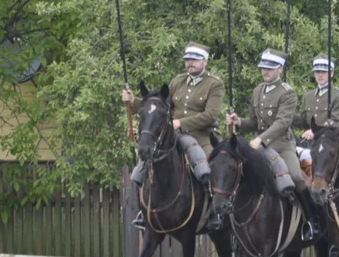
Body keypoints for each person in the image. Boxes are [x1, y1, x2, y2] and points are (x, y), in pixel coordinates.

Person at [122, 42, 224, 230]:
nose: (190, 63)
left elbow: (210, 115)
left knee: (210, 167)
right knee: (140, 170)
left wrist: (181, 123)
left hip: (202, 137)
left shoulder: (214, 84)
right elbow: (160, 106)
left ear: (205, 61)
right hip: (174, 136)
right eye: (187, 60)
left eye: (194, 59)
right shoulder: (177, 81)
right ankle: (144, 212)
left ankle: (214, 214)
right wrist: (134, 101)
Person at [226, 49, 321, 242]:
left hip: (282, 145)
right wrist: (238, 123)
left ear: (280, 68)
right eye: (263, 68)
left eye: (270, 68)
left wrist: (261, 139)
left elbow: (282, 122)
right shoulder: (257, 90)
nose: (265, 71)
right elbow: (254, 122)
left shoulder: (288, 93)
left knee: (296, 177)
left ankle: (312, 221)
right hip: (259, 146)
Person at [293, 53, 339, 139]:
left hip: (329, 142)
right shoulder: (308, 96)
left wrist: (315, 131)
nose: (320, 75)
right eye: (317, 71)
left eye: (324, 71)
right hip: (309, 141)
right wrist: (288, 114)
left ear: (331, 73)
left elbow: (337, 122)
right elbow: (304, 122)